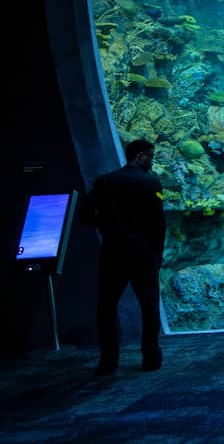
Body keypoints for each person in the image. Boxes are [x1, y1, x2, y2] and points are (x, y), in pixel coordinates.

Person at [78, 138, 167, 375]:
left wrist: (107, 226)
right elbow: (159, 223)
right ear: (139, 156)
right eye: (150, 156)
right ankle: (151, 357)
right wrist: (157, 253)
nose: (151, 161)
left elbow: (85, 214)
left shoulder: (106, 181)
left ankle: (108, 360)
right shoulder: (150, 182)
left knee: (106, 306)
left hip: (113, 252)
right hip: (143, 254)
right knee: (149, 305)